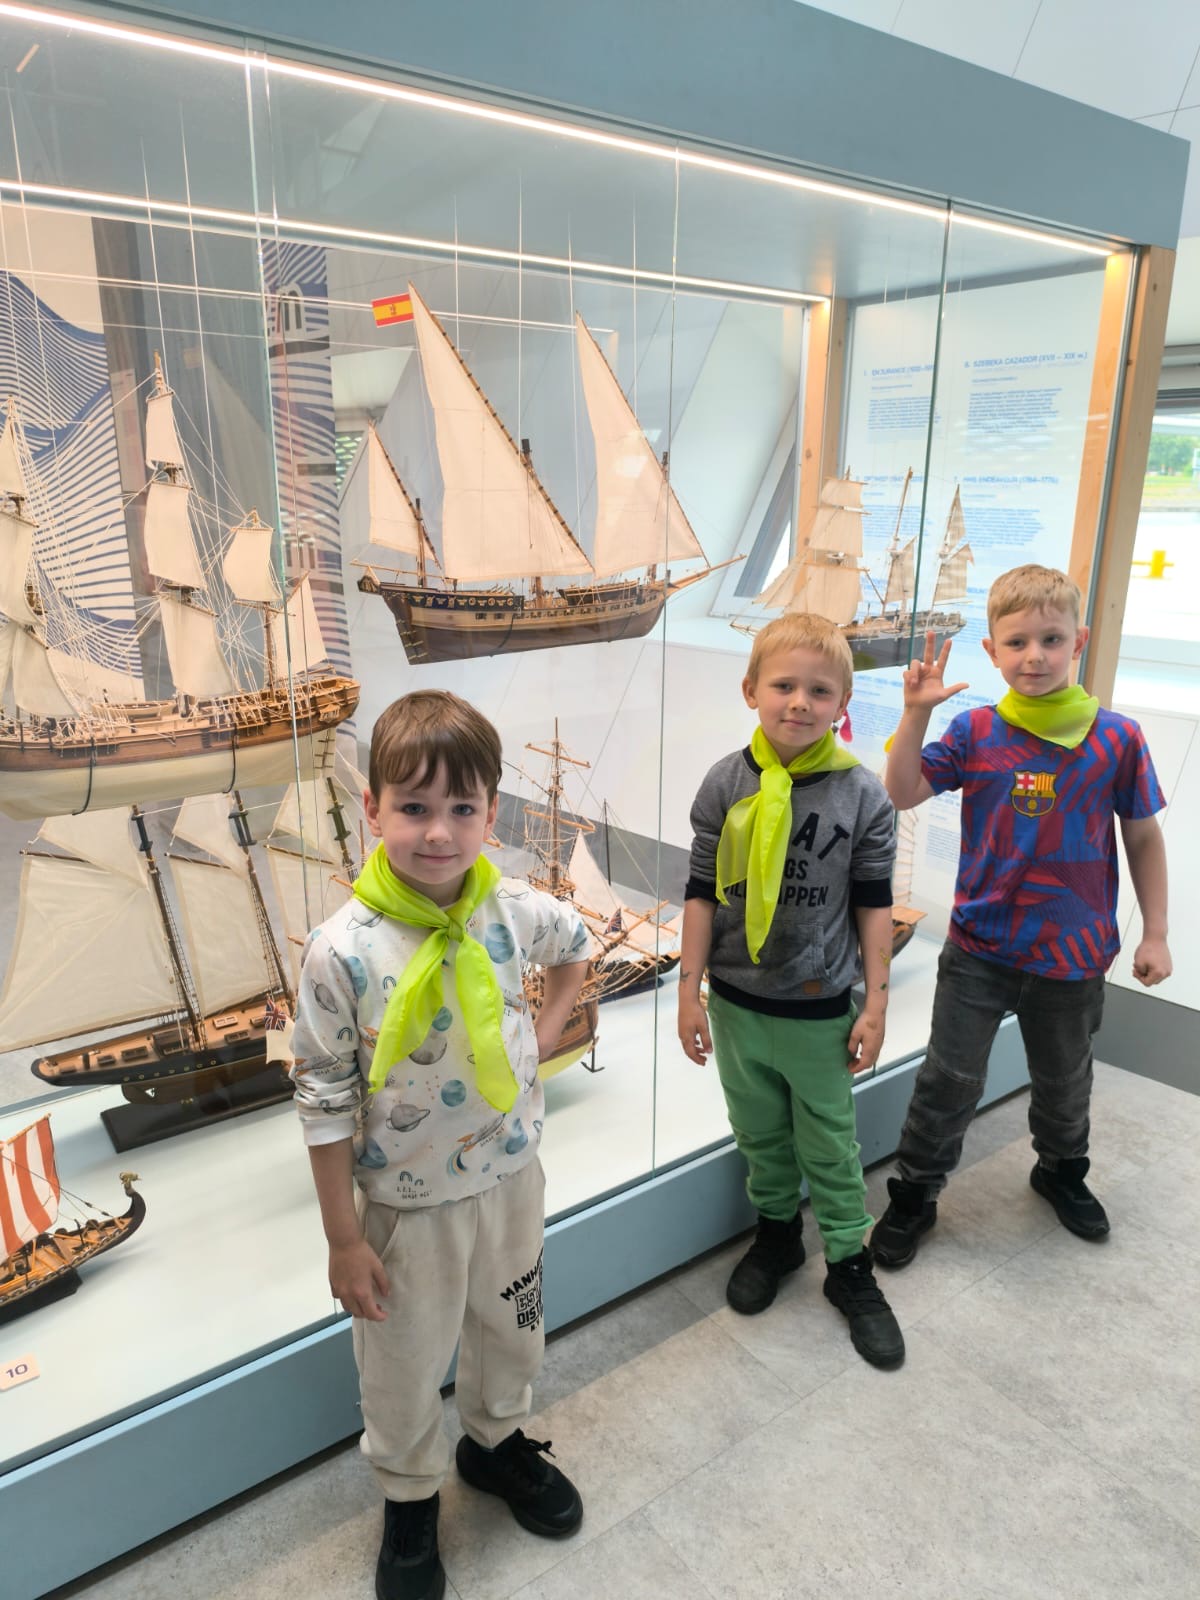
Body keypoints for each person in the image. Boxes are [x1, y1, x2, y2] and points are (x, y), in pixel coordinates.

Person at [289, 690, 590, 1600]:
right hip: (404, 1207)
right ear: (372, 807)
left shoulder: (511, 908)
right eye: (413, 806)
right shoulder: (340, 950)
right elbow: (322, 1101)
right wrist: (344, 1239)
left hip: (511, 1178)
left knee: (514, 1329)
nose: (438, 832)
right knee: (402, 1363)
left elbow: (575, 946)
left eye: (463, 808)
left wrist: (544, 1038)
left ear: (491, 815)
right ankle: (410, 1494)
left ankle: (495, 1444)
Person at [872, 564, 1171, 1270]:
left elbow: (1142, 837)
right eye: (1016, 642)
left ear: (1079, 641)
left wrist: (1155, 932)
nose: (1034, 656)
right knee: (948, 1080)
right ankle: (915, 1192)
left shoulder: (1117, 739)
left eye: (1051, 639)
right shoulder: (975, 730)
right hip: (980, 948)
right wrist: (915, 713)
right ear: (992, 651)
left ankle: (1061, 1170)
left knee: (1065, 1079)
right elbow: (903, 791)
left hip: (1072, 954)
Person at [678, 611, 905, 1369]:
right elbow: (700, 894)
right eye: (783, 686)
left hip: (818, 1009)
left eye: (819, 691)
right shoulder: (724, 783)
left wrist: (876, 1002)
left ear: (842, 704)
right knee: (760, 1136)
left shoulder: (862, 796)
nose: (799, 703)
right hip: (737, 1005)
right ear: (751, 690)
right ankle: (777, 1235)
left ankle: (849, 1264)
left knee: (831, 1146)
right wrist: (687, 991)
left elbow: (874, 904)